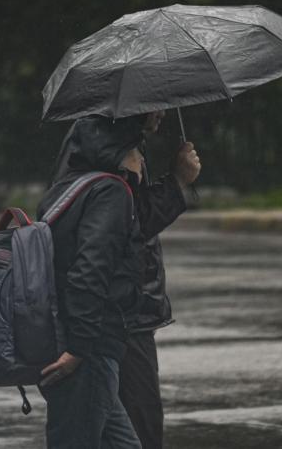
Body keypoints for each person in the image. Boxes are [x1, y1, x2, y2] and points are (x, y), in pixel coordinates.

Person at [49, 110, 201, 449]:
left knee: (117, 432)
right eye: (155, 102)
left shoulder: (104, 144)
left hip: (110, 319)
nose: (162, 111)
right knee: (134, 425)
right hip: (116, 319)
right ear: (133, 104)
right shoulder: (111, 158)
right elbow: (105, 247)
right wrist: (177, 182)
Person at [36, 115, 148, 449]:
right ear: (121, 150)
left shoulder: (67, 190)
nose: (142, 158)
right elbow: (90, 268)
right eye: (138, 149)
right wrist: (79, 349)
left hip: (71, 339)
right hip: (90, 349)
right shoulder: (111, 192)